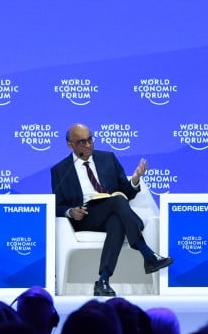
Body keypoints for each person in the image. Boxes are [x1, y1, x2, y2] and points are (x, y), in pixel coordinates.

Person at [51, 123, 172, 297]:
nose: (88, 145)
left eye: (90, 139)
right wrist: (70, 212)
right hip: (85, 217)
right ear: (70, 145)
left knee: (116, 220)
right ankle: (147, 253)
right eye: (82, 142)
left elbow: (126, 192)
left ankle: (103, 281)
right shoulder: (60, 170)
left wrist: (136, 178)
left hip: (112, 210)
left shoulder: (108, 158)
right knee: (117, 202)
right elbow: (57, 204)